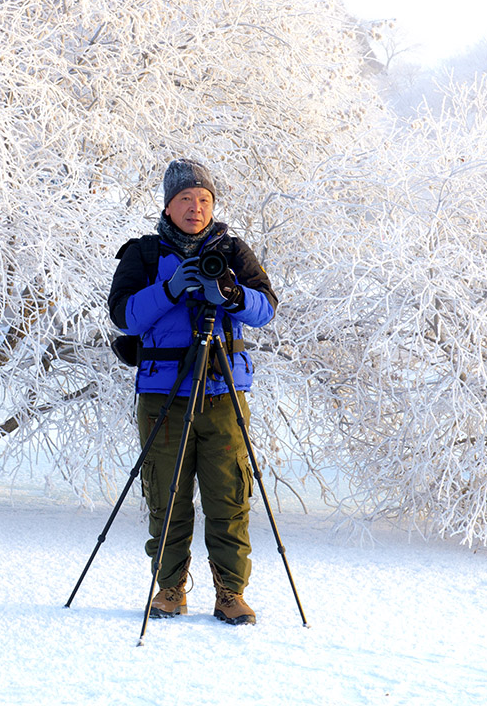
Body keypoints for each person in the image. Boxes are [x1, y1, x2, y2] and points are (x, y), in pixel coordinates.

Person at [108, 158, 277, 625]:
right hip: (164, 394)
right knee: (167, 495)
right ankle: (169, 589)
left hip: (222, 391)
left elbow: (266, 309)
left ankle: (230, 593)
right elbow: (123, 316)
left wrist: (234, 296)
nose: (195, 207)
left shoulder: (233, 251)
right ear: (168, 204)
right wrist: (170, 289)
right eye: (185, 198)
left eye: (204, 199)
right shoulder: (143, 255)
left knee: (229, 495)